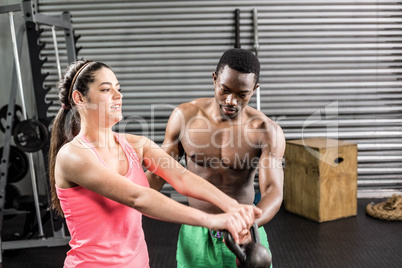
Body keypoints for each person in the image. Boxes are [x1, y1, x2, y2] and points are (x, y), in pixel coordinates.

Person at [48, 59, 262, 268]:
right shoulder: (72, 156)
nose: (118, 95)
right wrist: (214, 221)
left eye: (118, 88)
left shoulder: (136, 144)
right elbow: (138, 197)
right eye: (106, 90)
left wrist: (232, 206)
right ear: (79, 98)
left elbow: (182, 177)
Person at [147, 48, 286, 267]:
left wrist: (249, 225)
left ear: (254, 90)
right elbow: (158, 174)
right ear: (214, 79)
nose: (231, 101)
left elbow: (273, 190)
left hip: (245, 232)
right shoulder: (185, 117)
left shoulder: (266, 130)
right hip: (197, 229)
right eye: (225, 90)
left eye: (242, 95)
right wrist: (120, 203)